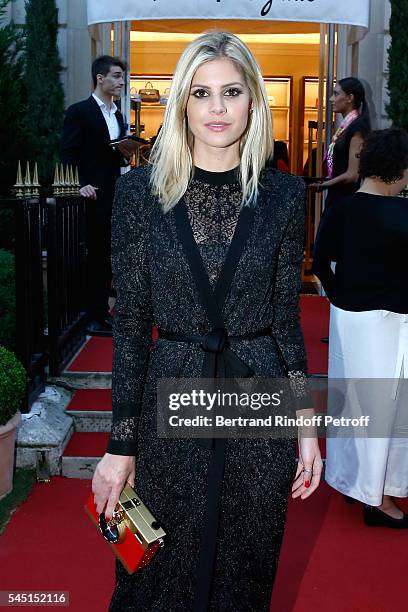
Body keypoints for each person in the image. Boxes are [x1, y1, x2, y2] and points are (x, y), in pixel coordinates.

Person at [92, 31, 322, 611]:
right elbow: (131, 322)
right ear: (182, 103)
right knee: (149, 572)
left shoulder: (285, 195)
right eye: (201, 93)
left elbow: (286, 322)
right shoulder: (138, 193)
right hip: (170, 401)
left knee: (244, 578)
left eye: (232, 91)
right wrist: (121, 444)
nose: (217, 108)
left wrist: (304, 422)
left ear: (253, 103)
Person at [313, 128, 408, 528]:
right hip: (392, 323)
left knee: (354, 403)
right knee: (387, 408)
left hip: (351, 321)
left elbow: (320, 263)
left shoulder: (341, 210)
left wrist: (342, 300)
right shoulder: (403, 213)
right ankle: (377, 498)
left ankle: (355, 482)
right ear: (397, 169)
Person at [60, 55, 138, 336]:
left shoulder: (117, 114)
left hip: (112, 195)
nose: (121, 82)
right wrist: (79, 184)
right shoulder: (79, 111)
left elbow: (110, 157)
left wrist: (126, 153)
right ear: (100, 78)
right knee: (90, 256)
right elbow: (67, 153)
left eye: (122, 77)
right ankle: (89, 316)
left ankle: (102, 314)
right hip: (88, 196)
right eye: (116, 76)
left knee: (105, 256)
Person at [311, 77, 371, 207]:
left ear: (350, 98)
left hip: (344, 201)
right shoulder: (347, 126)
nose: (331, 99)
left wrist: (325, 184)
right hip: (337, 197)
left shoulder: (357, 128)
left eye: (336, 94)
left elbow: (352, 175)